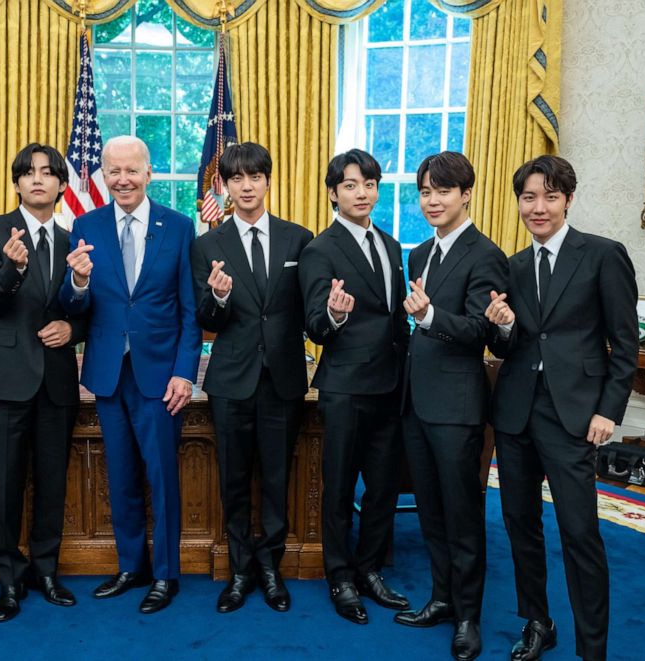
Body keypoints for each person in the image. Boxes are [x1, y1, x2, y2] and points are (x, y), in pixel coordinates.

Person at [485, 155, 638, 661]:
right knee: (520, 525)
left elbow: (624, 344)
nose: (538, 207)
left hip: (575, 417)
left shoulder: (602, 255)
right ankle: (537, 622)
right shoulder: (511, 266)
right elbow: (508, 347)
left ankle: (592, 649)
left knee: (580, 534)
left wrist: (608, 411)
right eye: (529, 197)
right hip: (515, 416)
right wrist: (502, 326)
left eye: (549, 196)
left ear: (568, 199)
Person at [60, 135, 201, 614]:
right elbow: (75, 303)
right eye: (112, 171)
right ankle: (130, 566)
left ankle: (165, 575)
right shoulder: (85, 223)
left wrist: (185, 373)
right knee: (119, 475)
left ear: (148, 173)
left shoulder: (179, 227)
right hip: (106, 372)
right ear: (103, 174)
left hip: (161, 378)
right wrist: (77, 281)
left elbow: (189, 310)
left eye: (131, 170)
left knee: (161, 477)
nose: (122, 179)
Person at [191, 142, 313, 614]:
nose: (246, 186)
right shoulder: (207, 246)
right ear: (225, 185)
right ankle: (241, 569)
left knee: (278, 478)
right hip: (231, 380)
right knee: (235, 479)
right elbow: (205, 319)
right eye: (236, 178)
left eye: (255, 177)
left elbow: (308, 310)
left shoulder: (298, 240)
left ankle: (271, 567)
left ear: (267, 180)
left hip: (282, 378)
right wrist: (218, 299)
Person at [395, 152, 508, 660]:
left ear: (466, 194)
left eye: (442, 191)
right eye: (425, 192)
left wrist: (431, 315)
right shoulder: (418, 254)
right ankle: (441, 598)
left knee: (462, 516)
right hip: (416, 404)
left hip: (458, 408)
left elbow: (481, 330)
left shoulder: (486, 255)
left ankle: (468, 616)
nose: (432, 201)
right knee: (432, 513)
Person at [0, 143, 88, 622]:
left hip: (57, 382)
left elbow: (86, 311)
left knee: (52, 483)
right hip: (4, 382)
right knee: (6, 483)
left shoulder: (71, 238)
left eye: (48, 173)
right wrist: (13, 269)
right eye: (28, 173)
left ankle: (45, 571)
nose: (38, 180)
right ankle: (8, 579)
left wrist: (72, 323)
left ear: (61, 185)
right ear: (17, 183)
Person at [298, 148, 410, 626]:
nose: (360, 192)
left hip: (392, 384)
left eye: (368, 184)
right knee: (340, 486)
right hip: (345, 386)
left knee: (383, 487)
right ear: (333, 193)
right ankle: (340, 576)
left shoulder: (390, 245)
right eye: (349, 185)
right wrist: (336, 314)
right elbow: (314, 325)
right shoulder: (319, 249)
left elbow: (396, 317)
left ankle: (370, 569)